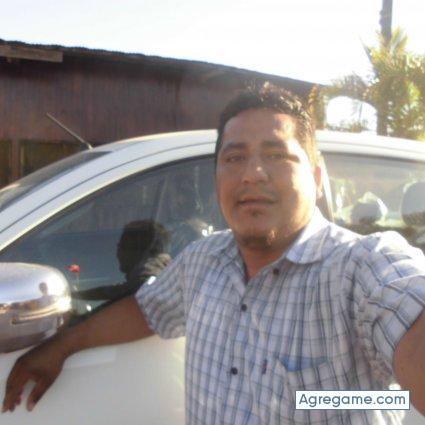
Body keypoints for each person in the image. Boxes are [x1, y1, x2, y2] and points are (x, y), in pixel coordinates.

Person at [3, 84, 425, 424]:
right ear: (217, 177)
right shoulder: (203, 260)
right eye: (234, 157)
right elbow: (147, 309)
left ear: (316, 179)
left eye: (276, 155)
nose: (252, 173)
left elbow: (406, 303)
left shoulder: (362, 266)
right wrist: (61, 346)